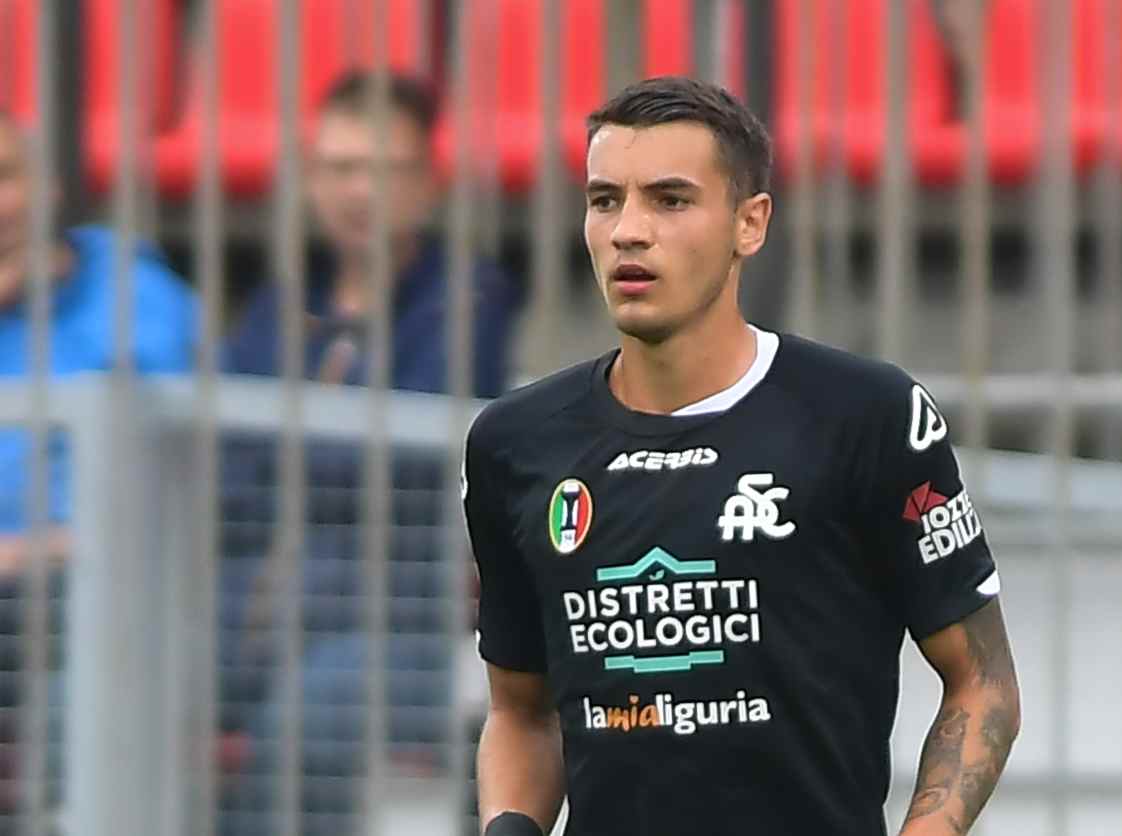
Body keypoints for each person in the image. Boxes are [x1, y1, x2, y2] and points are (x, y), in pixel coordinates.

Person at [464, 76, 1020, 836]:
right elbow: (521, 712)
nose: (629, 231)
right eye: (604, 201)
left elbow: (984, 684)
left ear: (749, 224)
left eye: (670, 200)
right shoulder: (517, 443)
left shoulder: (866, 416)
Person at [217, 71, 519, 836]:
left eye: (383, 169)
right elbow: (227, 464)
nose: (358, 191)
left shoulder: (467, 297)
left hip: (398, 622)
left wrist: (289, 438)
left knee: (299, 733)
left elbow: (396, 463)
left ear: (427, 184)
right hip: (249, 605)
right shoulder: (282, 303)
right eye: (340, 167)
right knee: (118, 685)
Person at [0, 109, 197, 817]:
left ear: (48, 187)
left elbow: (170, 490)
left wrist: (35, 552)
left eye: (6, 177)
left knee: (81, 700)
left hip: (105, 593)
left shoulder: (135, 300)